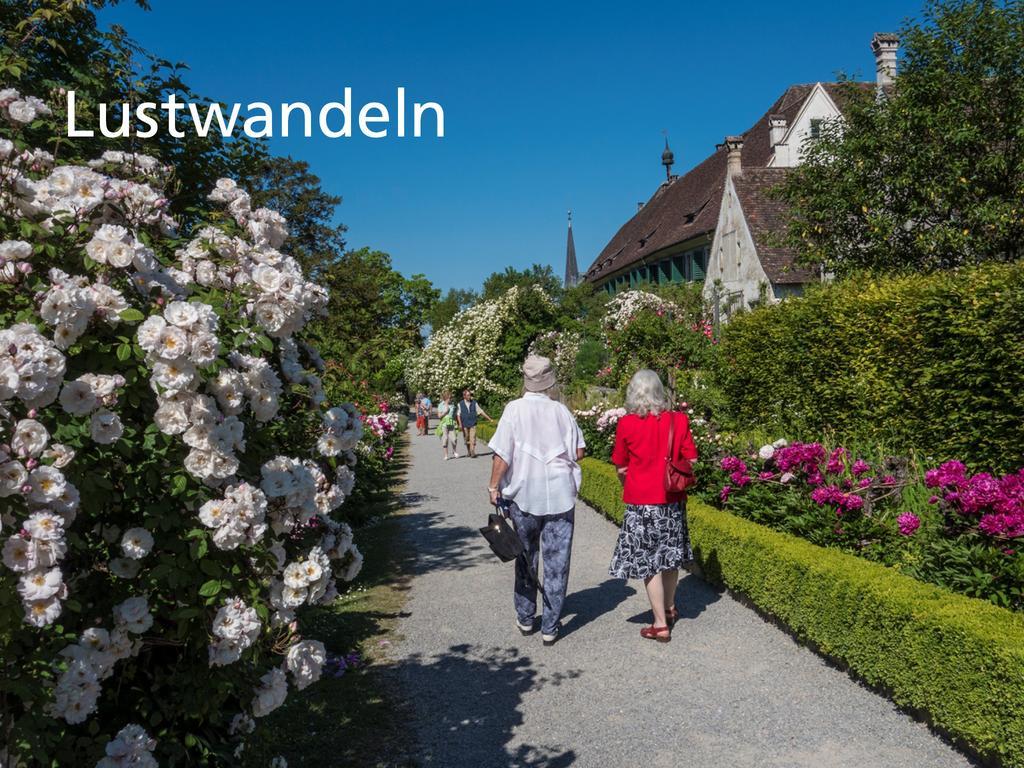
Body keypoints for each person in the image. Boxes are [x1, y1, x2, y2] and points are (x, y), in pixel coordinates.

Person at [488, 356, 586, 646]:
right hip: (560, 496)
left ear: (525, 381)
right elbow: (579, 452)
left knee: (525, 557)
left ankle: (527, 616)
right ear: (550, 382)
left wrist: (494, 486)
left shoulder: (514, 410)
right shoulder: (561, 411)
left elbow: (502, 455)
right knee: (557, 562)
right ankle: (551, 625)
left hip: (524, 497)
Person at [609, 369, 698, 643]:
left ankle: (660, 624)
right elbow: (691, 461)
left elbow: (621, 466)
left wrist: (631, 478)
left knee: (650, 563)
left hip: (641, 504)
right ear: (659, 391)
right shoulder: (679, 420)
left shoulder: (627, 424)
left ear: (634, 393)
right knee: (669, 557)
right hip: (670, 501)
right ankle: (669, 608)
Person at [456, 388, 492, 458]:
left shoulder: (474, 403)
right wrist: (460, 424)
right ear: (464, 396)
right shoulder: (460, 404)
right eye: (468, 395)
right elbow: (458, 415)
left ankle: (472, 452)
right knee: (466, 438)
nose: (470, 397)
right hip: (465, 423)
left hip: (473, 423)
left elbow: (481, 411)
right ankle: (469, 451)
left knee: (472, 437)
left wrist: (489, 418)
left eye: (470, 395)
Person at [435, 390, 459, 460]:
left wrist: (456, 422)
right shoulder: (440, 405)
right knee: (445, 439)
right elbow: (439, 416)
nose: (450, 399)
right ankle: (446, 455)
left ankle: (454, 451)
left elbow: (454, 415)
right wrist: (445, 412)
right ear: (446, 398)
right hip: (444, 423)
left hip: (451, 423)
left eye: (451, 398)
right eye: (449, 398)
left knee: (454, 439)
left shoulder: (452, 405)